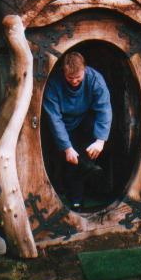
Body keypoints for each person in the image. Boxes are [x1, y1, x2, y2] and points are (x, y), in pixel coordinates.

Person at [43, 51, 112, 211]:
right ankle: (68, 195)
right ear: (63, 72)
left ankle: (84, 194)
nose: (74, 81)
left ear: (85, 70)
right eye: (70, 78)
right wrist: (67, 147)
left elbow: (104, 109)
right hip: (61, 127)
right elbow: (54, 119)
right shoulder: (53, 84)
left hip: (84, 121)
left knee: (81, 159)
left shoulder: (95, 80)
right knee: (64, 161)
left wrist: (100, 140)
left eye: (78, 78)